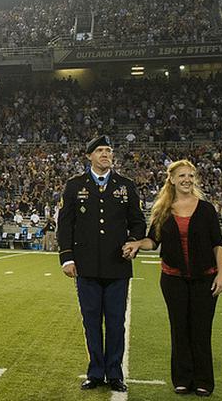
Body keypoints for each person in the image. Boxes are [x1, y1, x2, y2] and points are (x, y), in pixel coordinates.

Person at [123, 159, 222, 397]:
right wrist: (138, 243)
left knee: (201, 330)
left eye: (190, 176)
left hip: (205, 279)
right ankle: (182, 379)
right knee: (179, 329)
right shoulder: (162, 210)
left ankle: (203, 381)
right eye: (182, 176)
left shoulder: (206, 209)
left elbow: (218, 244)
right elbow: (153, 241)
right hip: (173, 280)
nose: (187, 180)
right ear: (171, 179)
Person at [57, 135, 145, 393]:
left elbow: (138, 221)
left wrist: (132, 241)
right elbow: (65, 224)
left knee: (116, 322)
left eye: (108, 150)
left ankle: (115, 373)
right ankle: (96, 372)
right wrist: (67, 257)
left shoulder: (125, 185)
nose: (106, 154)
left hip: (117, 265)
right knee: (91, 321)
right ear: (89, 156)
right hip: (85, 267)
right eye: (100, 150)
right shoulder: (74, 185)